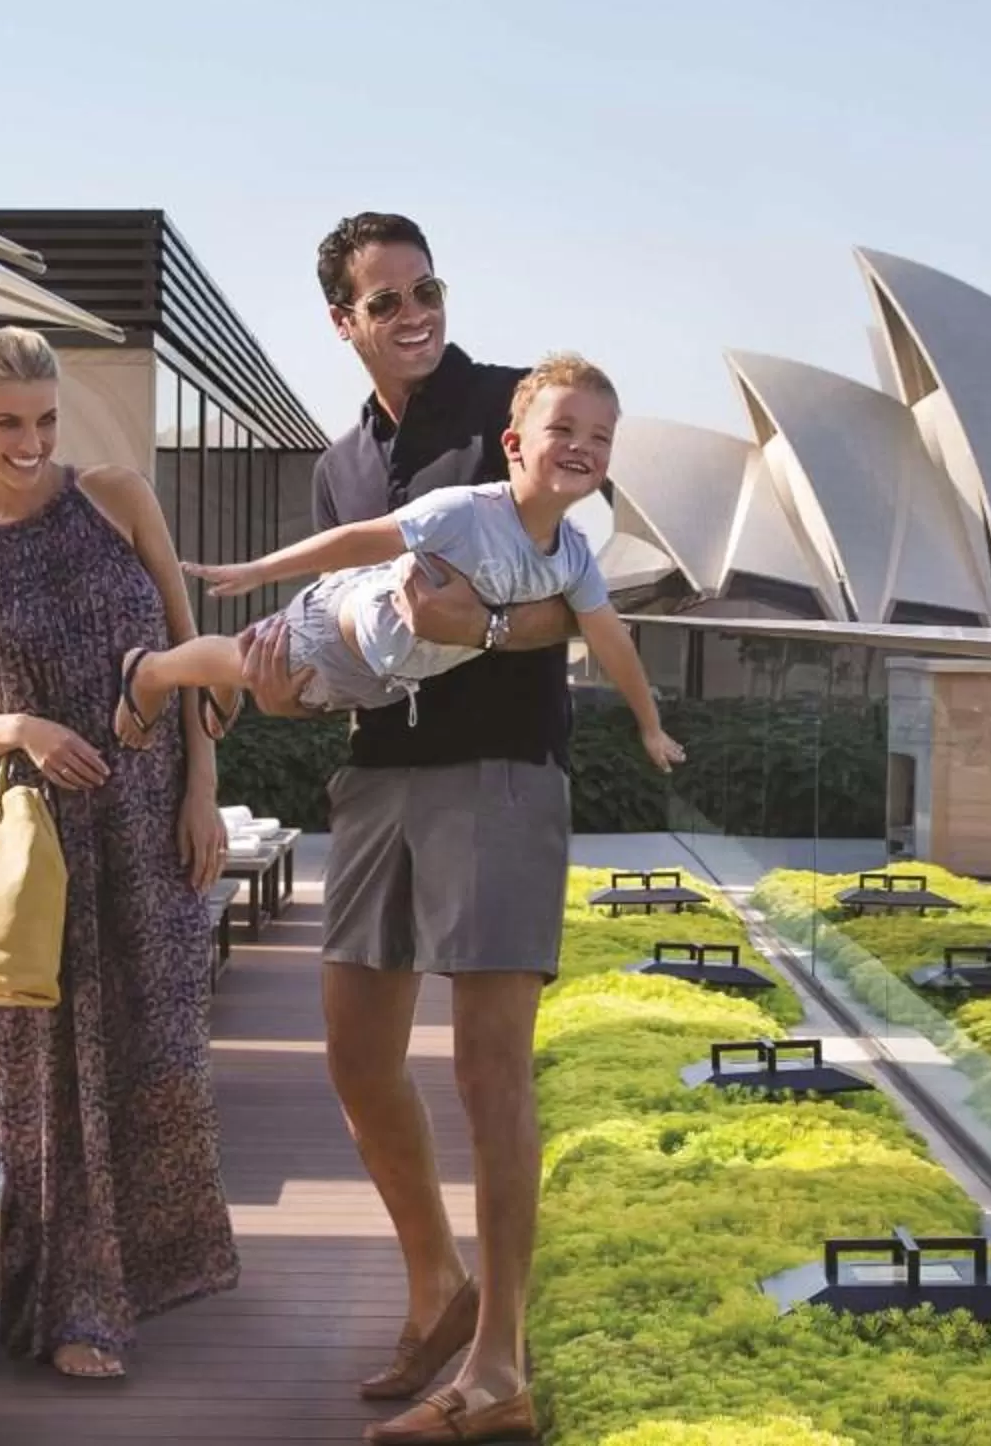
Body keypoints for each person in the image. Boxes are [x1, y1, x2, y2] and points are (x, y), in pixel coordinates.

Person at [242, 213, 591, 1446]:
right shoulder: (340, 465)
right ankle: (434, 1280)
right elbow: (350, 633)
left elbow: (596, 590)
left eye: (425, 287)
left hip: (499, 770)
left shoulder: (511, 407)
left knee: (489, 1070)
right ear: (344, 322)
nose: (413, 312)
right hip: (376, 774)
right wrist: (293, 681)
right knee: (354, 1051)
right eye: (385, 299)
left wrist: (487, 630)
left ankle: (498, 1365)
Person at [0, 325, 240, 1380]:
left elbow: (192, 653)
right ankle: (74, 1305)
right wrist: (20, 730)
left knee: (159, 1053)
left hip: (148, 827)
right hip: (38, 843)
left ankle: (150, 1268)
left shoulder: (116, 495)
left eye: (45, 418)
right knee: (47, 1081)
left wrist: (203, 791)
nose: (30, 440)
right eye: (8, 421)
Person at [120, 356, 686, 785]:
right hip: (340, 627)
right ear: (512, 445)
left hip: (386, 681)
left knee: (252, 669)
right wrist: (263, 569)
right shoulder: (465, 511)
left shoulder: (574, 557)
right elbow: (362, 538)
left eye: (599, 437)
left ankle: (215, 675)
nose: (580, 446)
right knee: (246, 658)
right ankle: (152, 671)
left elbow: (611, 640)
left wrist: (650, 725)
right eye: (562, 429)